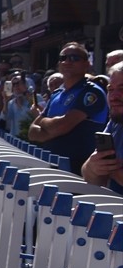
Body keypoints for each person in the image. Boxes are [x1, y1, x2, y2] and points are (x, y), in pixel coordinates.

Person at [27, 43, 108, 173]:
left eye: (75, 58)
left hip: (77, 171)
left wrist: (41, 119)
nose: (68, 61)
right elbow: (32, 133)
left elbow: (62, 126)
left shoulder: (91, 93)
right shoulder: (56, 95)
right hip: (52, 166)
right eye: (63, 58)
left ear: (87, 64)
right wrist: (54, 128)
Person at [81, 63, 123, 193]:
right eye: (110, 90)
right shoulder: (116, 122)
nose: (114, 97)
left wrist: (112, 171)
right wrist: (93, 168)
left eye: (122, 89)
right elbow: (89, 176)